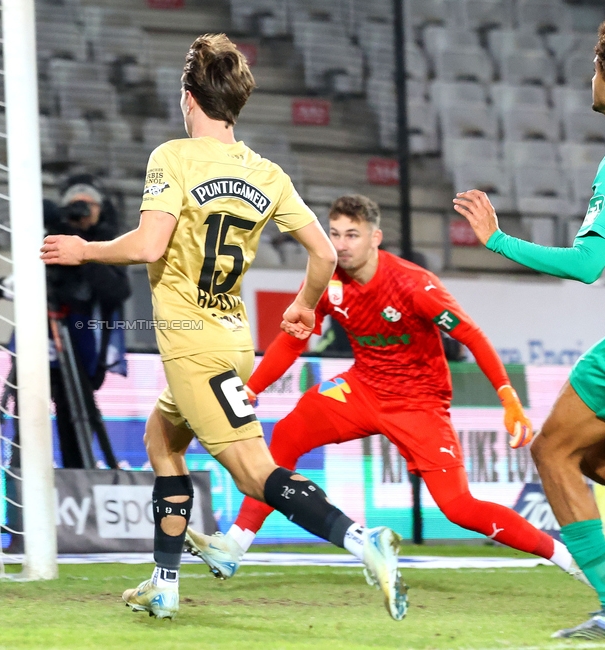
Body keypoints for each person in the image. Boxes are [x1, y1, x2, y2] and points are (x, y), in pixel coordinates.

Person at [41, 34, 408, 621]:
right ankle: (164, 582)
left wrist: (84, 250)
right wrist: (305, 306)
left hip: (193, 349)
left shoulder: (174, 158)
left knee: (255, 474)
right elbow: (325, 255)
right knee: (162, 439)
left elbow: (149, 243)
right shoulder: (267, 173)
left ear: (188, 97)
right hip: (234, 343)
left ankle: (364, 543)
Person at [184, 195, 586, 590]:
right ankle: (233, 546)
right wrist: (252, 389)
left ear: (375, 238)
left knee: (458, 508)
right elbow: (294, 339)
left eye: (352, 235)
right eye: (335, 233)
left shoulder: (413, 284)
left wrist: (507, 396)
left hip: (419, 404)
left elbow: (472, 336)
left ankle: (567, 557)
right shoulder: (325, 278)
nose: (340, 244)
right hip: (362, 387)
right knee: (288, 433)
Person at [454, 12, 605, 639]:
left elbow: (587, 264)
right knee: (595, 454)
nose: (590, 78)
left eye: (593, 68)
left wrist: (498, 240)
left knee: (553, 450)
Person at [43, 176, 131, 467]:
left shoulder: (109, 246)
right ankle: (27, 473)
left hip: (85, 341)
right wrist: (63, 232)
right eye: (73, 207)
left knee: (78, 409)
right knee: (31, 408)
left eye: (87, 206)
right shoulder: (49, 240)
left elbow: (119, 290)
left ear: (100, 211)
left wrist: (83, 250)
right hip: (46, 340)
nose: (79, 213)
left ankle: (79, 471)